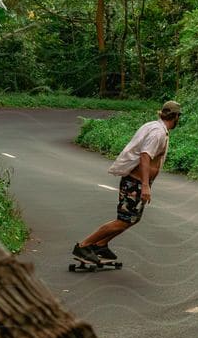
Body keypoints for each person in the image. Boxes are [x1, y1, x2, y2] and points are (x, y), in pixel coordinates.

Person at [72, 100, 181, 264]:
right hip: (135, 183)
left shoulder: (154, 127)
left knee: (132, 219)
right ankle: (84, 245)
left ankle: (100, 245)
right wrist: (145, 185)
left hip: (137, 182)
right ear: (176, 116)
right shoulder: (157, 132)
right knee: (123, 220)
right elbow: (145, 155)